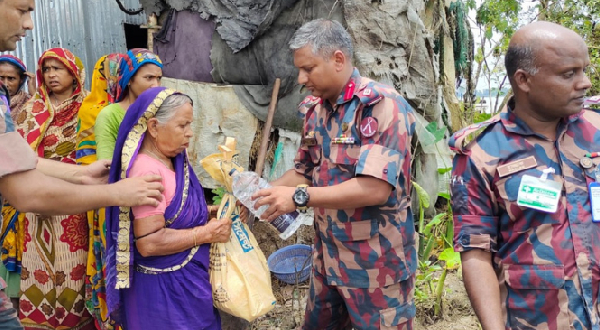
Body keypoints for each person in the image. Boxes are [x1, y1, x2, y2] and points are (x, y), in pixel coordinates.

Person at [0, 1, 163, 328]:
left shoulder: (102, 109)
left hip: (68, 202)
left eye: (57, 68)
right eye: (22, 10)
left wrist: (82, 172)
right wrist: (116, 192)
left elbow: (18, 159)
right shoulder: (58, 112)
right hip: (42, 203)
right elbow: (24, 188)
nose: (30, 24)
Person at [253, 19, 417, 329]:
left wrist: (299, 197)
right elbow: (304, 171)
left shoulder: (381, 106)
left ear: (338, 59)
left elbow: (374, 189)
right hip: (327, 261)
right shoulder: (315, 111)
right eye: (299, 69)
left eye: (309, 68)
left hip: (376, 269)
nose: (301, 78)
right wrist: (264, 191)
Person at [449, 21, 598, 329]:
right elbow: (476, 254)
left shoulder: (596, 132)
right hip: (536, 320)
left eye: (584, 70)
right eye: (569, 73)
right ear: (524, 80)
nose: (584, 83)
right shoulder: (481, 152)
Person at [105, 87, 231, 330]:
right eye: (182, 125)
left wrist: (206, 212)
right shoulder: (146, 171)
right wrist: (205, 233)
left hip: (186, 286)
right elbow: (149, 242)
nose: (190, 133)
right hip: (164, 292)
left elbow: (173, 212)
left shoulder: (171, 162)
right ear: (153, 127)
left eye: (190, 125)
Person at [76, 53, 124, 330]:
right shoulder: (92, 109)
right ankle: (108, 316)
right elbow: (85, 158)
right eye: (110, 74)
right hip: (101, 194)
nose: (115, 80)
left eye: (120, 75)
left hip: (134, 191)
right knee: (108, 250)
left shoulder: (138, 109)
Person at [95, 48, 163, 160]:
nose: (155, 85)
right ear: (129, 79)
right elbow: (107, 165)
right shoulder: (110, 116)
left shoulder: (163, 110)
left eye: (159, 78)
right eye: (149, 78)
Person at [0, 55, 34, 122]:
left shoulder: (29, 103)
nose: (5, 84)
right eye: (1, 78)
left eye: (11, 78)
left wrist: (34, 94)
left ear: (21, 80)